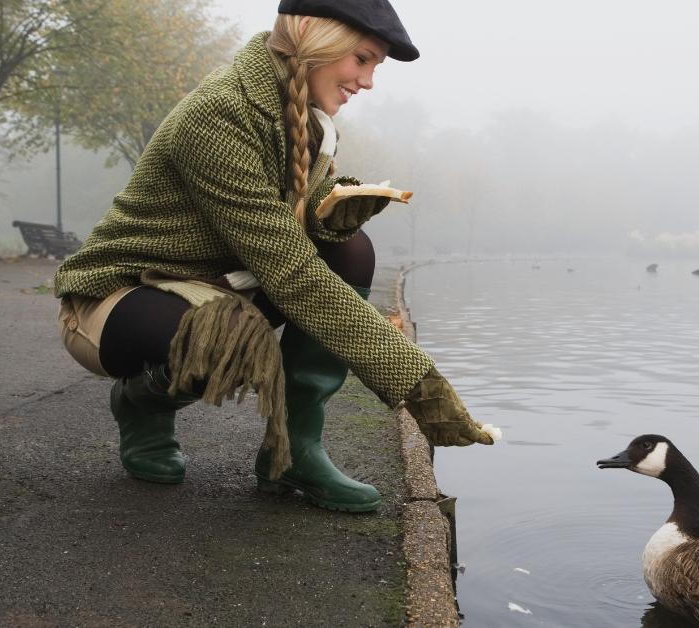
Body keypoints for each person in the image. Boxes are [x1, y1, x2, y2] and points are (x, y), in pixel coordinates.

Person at [53, 0, 496, 514]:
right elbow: (291, 274)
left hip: (216, 283)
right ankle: (141, 403)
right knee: (231, 339)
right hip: (116, 295)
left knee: (350, 252)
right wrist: (420, 387)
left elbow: (286, 220)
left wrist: (331, 210)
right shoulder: (219, 115)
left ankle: (292, 452)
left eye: (375, 67)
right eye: (362, 59)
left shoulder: (308, 116)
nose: (369, 82)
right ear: (312, 33)